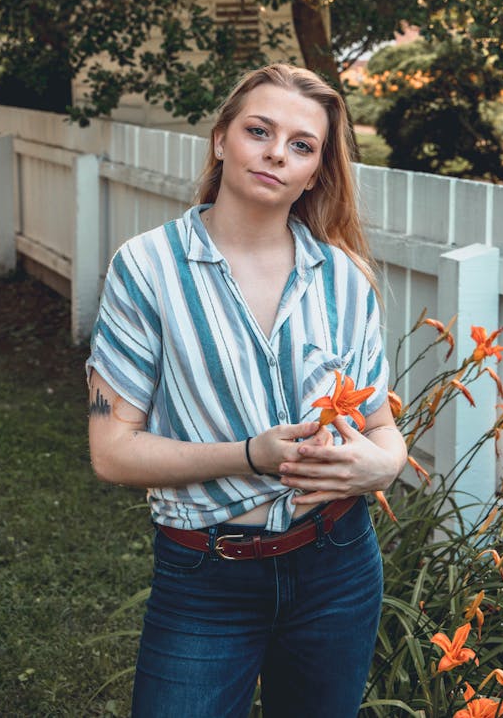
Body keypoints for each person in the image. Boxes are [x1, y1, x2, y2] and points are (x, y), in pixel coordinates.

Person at [86, 63, 407, 718]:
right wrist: (249, 454)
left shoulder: (342, 277)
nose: (274, 153)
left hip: (338, 564)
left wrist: (383, 464)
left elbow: (380, 427)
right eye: (259, 130)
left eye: (300, 145)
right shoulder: (147, 269)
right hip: (207, 572)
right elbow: (112, 451)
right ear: (220, 139)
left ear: (317, 171)